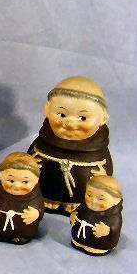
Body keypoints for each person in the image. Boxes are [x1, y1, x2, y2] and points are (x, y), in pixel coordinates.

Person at [28, 76, 112, 214]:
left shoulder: (97, 151)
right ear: (47, 110)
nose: (70, 124)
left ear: (103, 118)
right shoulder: (43, 143)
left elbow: (105, 174)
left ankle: (75, 201)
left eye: (83, 118)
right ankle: (48, 197)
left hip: (81, 196)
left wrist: (103, 177)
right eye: (61, 114)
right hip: (44, 193)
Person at [0, 152, 44, 244]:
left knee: (24, 231)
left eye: (25, 182)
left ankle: (21, 236)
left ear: (36, 180)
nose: (17, 186)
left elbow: (39, 207)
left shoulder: (34, 195)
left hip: (23, 228)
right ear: (1, 176)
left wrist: (36, 213)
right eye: (11, 180)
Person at [70, 175, 122, 255]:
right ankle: (79, 242)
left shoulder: (114, 216)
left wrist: (108, 231)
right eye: (89, 195)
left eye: (101, 199)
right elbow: (77, 211)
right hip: (78, 237)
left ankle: (96, 247)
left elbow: (115, 228)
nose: (93, 201)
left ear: (116, 201)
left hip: (99, 244)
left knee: (98, 244)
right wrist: (73, 215)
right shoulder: (83, 206)